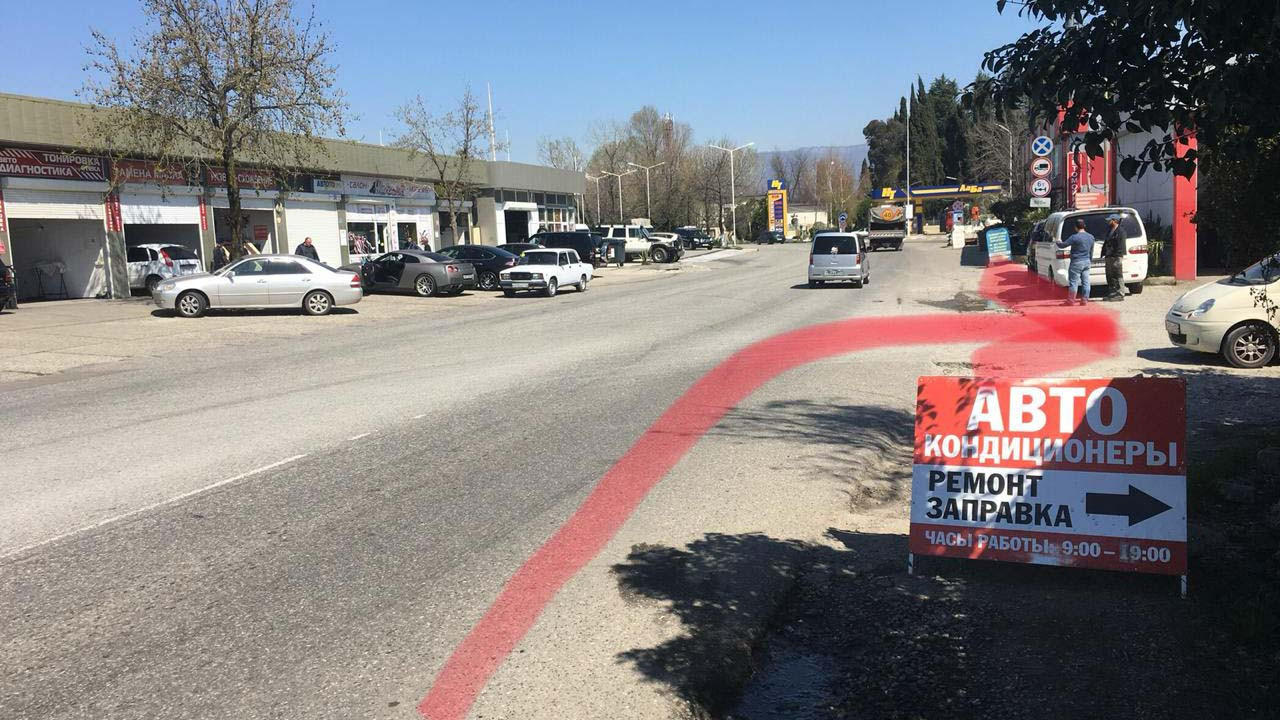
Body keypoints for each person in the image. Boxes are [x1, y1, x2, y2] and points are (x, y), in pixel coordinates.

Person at [1055, 218, 1095, 306]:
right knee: (1086, 281)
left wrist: (1057, 241)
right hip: (1087, 261)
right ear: (1084, 226)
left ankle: (1071, 301)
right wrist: (1089, 260)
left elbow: (1063, 245)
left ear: (1075, 227)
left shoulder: (1074, 237)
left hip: (1076, 262)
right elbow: (1091, 251)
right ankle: (1084, 299)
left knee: (1073, 282)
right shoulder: (1091, 237)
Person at [1101, 214, 1127, 301]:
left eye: (1110, 220)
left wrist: (1118, 256)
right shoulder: (1110, 230)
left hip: (1116, 256)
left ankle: (1120, 293)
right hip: (1109, 256)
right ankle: (1113, 292)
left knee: (1118, 274)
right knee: (1110, 275)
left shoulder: (1121, 231)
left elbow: (1121, 245)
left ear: (1115, 221)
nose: (1108, 221)